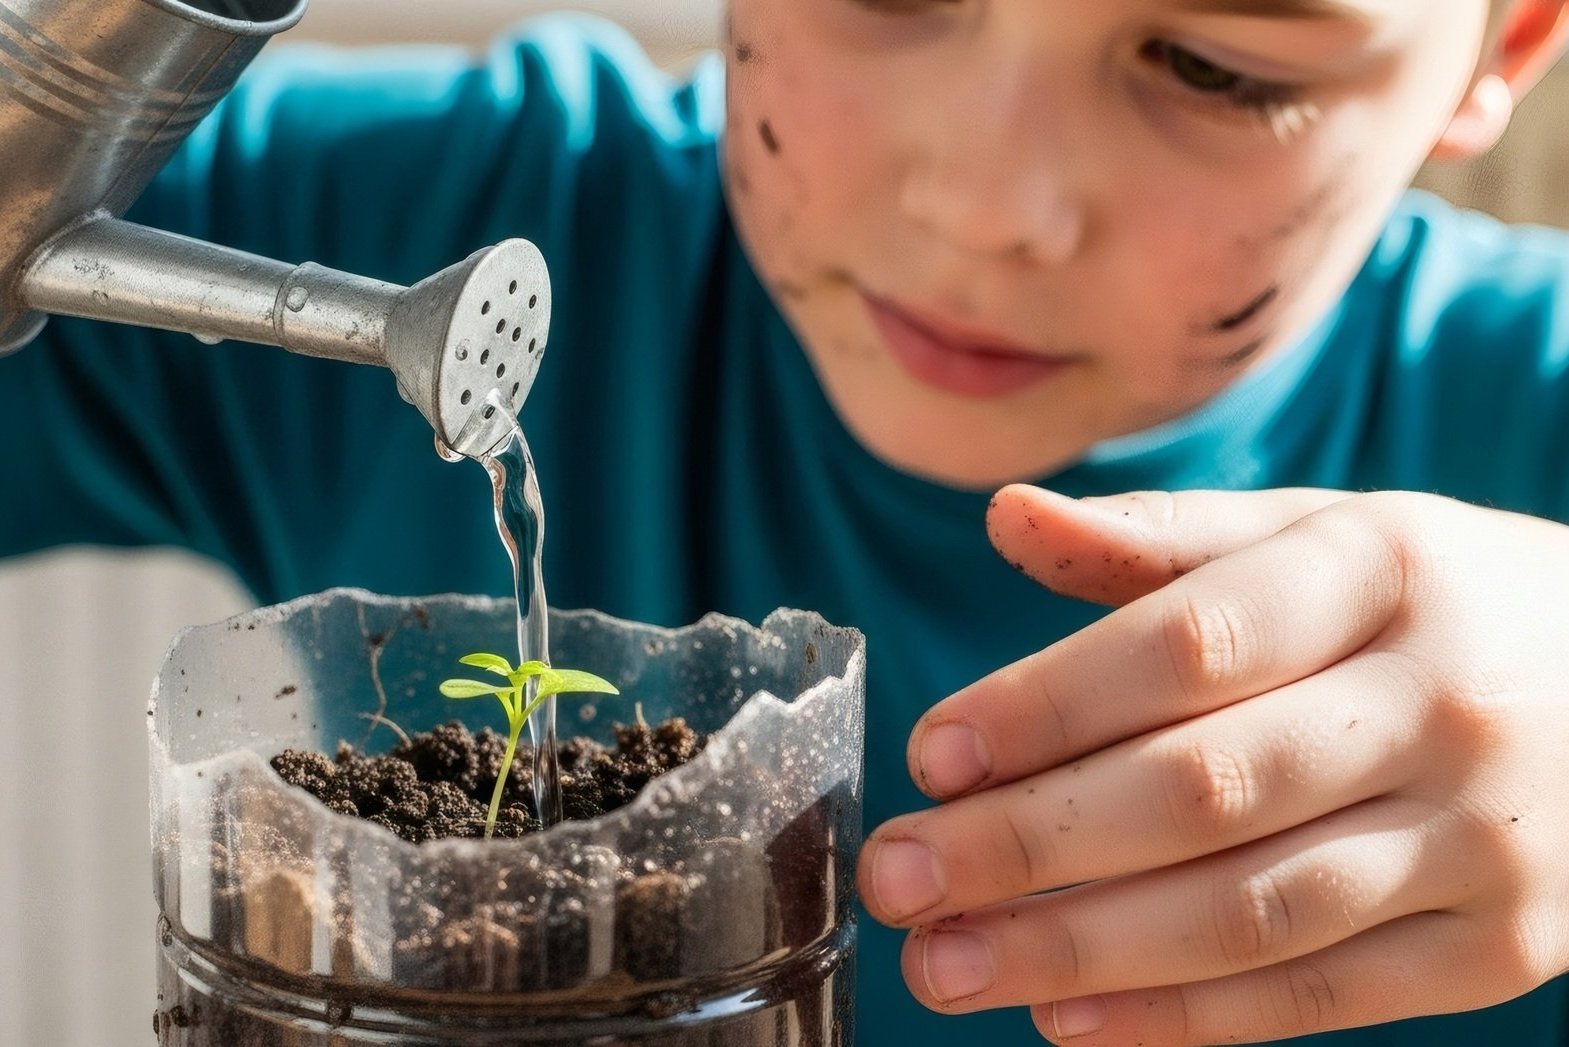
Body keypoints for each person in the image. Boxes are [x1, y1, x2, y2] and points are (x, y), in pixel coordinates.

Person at [2, 0, 1567, 1043]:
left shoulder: (1529, 420)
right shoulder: (425, 210)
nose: (982, 203)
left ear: (1506, 41)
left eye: (1217, 70)